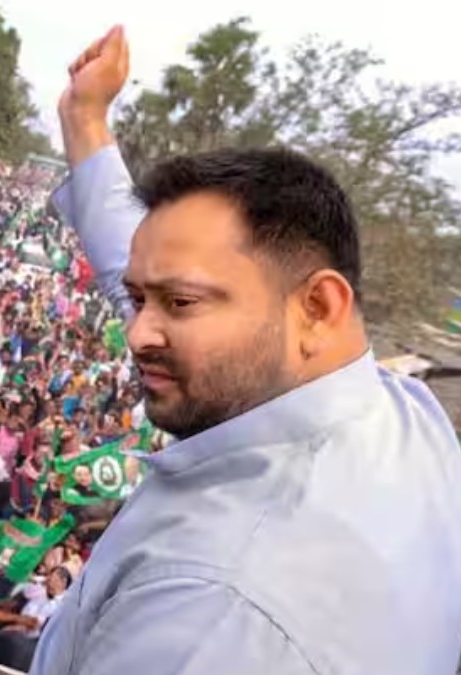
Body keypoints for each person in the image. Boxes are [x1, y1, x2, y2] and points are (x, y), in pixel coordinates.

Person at [30, 25, 461, 675]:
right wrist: (85, 120)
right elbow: (159, 270)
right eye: (139, 298)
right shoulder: (401, 414)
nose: (137, 332)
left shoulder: (213, 616)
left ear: (318, 307)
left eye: (179, 303)